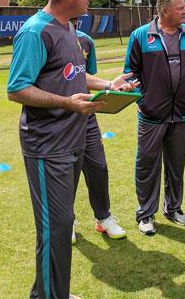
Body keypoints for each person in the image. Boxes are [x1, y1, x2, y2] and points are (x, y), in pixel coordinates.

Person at [7, 0, 134, 299]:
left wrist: (109, 83)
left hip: (73, 138)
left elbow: (75, 76)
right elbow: (17, 89)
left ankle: (52, 293)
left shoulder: (69, 30)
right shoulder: (36, 31)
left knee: (61, 227)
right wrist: (66, 102)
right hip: (47, 145)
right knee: (56, 227)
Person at [124, 0, 185, 235]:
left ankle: (174, 208)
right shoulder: (140, 36)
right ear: (165, 10)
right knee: (147, 164)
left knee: (176, 164)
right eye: (181, 8)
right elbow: (131, 74)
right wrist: (145, 101)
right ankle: (146, 214)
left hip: (181, 114)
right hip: (151, 115)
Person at [73, 28, 127, 241]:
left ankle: (103, 218)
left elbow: (84, 76)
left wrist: (109, 85)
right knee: (68, 173)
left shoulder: (85, 40)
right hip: (62, 118)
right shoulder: (45, 33)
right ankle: (66, 220)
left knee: (98, 167)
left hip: (87, 116)